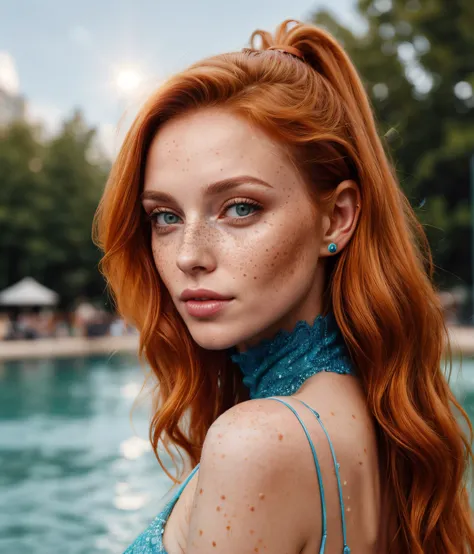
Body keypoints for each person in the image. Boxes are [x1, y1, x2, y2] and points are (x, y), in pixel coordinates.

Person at [94, 19, 474, 554]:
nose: (189, 256)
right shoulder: (382, 416)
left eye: (240, 208)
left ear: (336, 218)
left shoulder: (256, 444)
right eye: (164, 217)